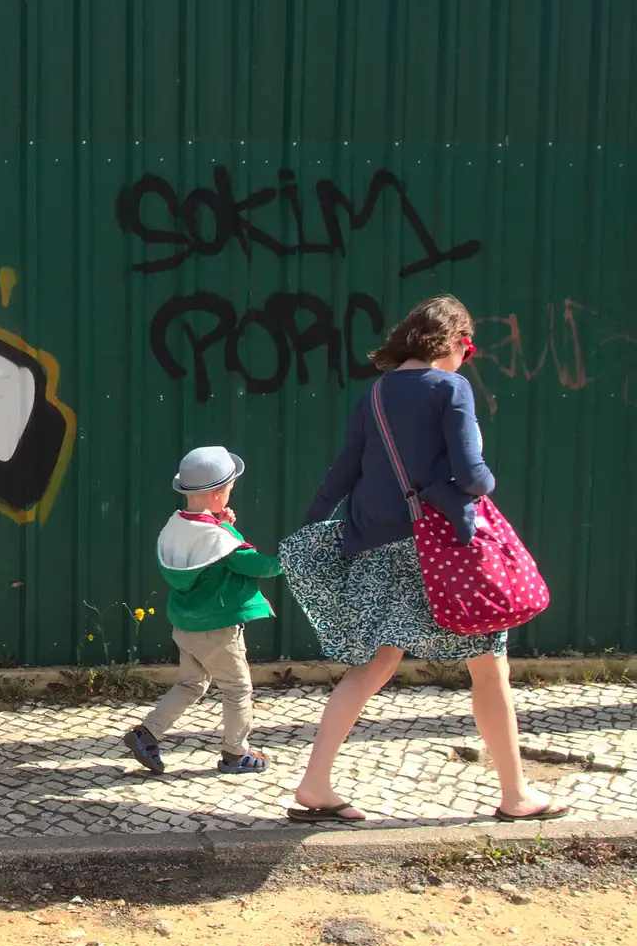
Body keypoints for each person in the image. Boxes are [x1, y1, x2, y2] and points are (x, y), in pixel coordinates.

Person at [281, 295, 566, 824]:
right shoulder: (451, 387)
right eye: (468, 348)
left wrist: (308, 527)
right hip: (440, 549)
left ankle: (315, 784)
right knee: (488, 668)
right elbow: (471, 472)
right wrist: (484, 482)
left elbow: (343, 471)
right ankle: (515, 795)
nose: (467, 358)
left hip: (374, 541)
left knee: (373, 664)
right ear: (453, 342)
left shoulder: (375, 394)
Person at [124, 446, 280, 776]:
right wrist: (292, 560)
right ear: (219, 494)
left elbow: (211, 545)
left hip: (185, 625)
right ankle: (236, 754)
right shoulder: (217, 537)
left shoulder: (177, 526)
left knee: (192, 684)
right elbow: (257, 564)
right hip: (217, 630)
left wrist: (221, 523)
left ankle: (146, 734)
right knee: (238, 690)